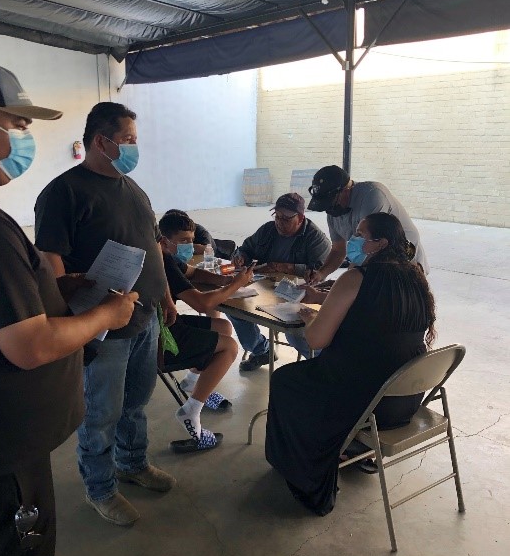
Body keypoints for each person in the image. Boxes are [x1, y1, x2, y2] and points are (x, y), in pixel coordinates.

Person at [0, 62, 137, 556]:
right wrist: (105, 316)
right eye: (14, 124)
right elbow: (28, 345)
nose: (22, 139)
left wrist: (58, 289)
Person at [35, 102, 177, 529]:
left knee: (136, 403)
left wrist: (167, 298)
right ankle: (100, 489)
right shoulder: (64, 192)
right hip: (103, 325)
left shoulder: (135, 190)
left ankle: (132, 464)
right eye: (129, 140)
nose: (135, 148)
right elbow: (50, 259)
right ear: (102, 141)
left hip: (145, 317)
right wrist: (70, 323)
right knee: (101, 412)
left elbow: (153, 248)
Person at [265, 212, 436, 516]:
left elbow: (316, 340)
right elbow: (375, 323)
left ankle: (309, 470)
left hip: (363, 402)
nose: (353, 240)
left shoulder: (356, 277)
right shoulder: (415, 275)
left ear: (379, 243)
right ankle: (352, 450)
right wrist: (326, 303)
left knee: (286, 380)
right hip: (403, 398)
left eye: (360, 234)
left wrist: (311, 315)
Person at [158, 212, 254, 452]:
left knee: (223, 327)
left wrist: (222, 281)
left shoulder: (168, 257)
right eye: (182, 240)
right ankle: (191, 411)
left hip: (168, 324)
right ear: (163, 240)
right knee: (230, 347)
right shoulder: (162, 261)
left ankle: (192, 383)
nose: (189, 246)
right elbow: (202, 304)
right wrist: (235, 285)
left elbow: (192, 273)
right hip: (162, 339)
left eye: (191, 239)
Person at [229, 192, 331, 371]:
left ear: (300, 218)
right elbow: (245, 248)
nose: (279, 222)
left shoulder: (316, 239)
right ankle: (261, 350)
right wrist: (240, 257)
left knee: (294, 331)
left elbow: (318, 273)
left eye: (286, 219)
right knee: (232, 306)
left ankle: (323, 365)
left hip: (299, 293)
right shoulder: (268, 230)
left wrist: (286, 267)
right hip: (264, 287)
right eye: (277, 216)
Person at [306, 165, 429, 282]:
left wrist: (343, 285)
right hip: (374, 261)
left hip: (402, 259)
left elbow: (369, 250)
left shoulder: (372, 196)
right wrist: (321, 274)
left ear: (346, 189)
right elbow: (338, 250)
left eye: (330, 201)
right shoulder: (333, 210)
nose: (329, 208)